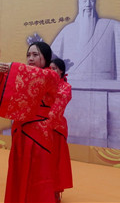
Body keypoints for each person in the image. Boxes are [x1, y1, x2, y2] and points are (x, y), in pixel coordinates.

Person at [0, 41, 60, 203]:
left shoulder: (51, 75)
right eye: (28, 55)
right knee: (19, 172)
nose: (30, 58)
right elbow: (6, 92)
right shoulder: (24, 76)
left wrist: (12, 67)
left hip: (38, 133)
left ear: (46, 57)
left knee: (37, 175)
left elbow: (36, 76)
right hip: (21, 131)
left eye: (35, 55)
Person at [49, 58, 73, 202]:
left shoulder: (65, 87)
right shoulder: (44, 84)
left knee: (55, 161)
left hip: (56, 128)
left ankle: (55, 190)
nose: (51, 72)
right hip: (40, 126)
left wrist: (46, 123)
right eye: (49, 69)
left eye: (54, 69)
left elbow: (57, 108)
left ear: (61, 71)